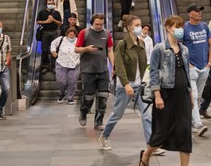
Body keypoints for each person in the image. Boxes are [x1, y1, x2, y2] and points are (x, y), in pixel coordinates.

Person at [140, 15, 192, 166]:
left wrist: (190, 94)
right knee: (162, 131)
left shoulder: (185, 50)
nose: (180, 30)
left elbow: (187, 73)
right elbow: (154, 72)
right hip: (166, 95)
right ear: (168, 28)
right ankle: (146, 155)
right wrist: (157, 95)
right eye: (177, 26)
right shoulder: (159, 48)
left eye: (182, 27)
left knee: (185, 133)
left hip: (182, 96)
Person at [100, 15, 154, 152]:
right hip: (125, 85)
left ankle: (150, 145)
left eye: (140, 25)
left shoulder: (141, 43)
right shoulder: (122, 45)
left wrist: (146, 82)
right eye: (137, 25)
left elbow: (144, 65)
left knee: (147, 115)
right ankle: (104, 136)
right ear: (129, 27)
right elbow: (119, 66)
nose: (140, 28)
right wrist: (126, 84)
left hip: (140, 85)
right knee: (117, 114)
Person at [74, 13, 115, 130]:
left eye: (101, 24)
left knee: (103, 97)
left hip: (103, 70)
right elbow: (76, 49)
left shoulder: (107, 34)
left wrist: (113, 64)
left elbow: (110, 50)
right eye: (97, 24)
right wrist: (86, 49)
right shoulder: (84, 33)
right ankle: (83, 111)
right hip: (88, 70)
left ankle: (99, 122)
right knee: (89, 97)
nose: (99, 26)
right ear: (92, 23)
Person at [183, 4, 211, 136]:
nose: (199, 13)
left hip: (204, 67)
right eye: (196, 11)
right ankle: (198, 124)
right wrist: (188, 64)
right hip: (192, 67)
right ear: (190, 14)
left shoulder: (205, 26)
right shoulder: (185, 28)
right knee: (193, 96)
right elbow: (180, 47)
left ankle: (189, 122)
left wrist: (209, 63)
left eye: (200, 11)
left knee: (198, 96)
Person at [51, 28, 81, 104]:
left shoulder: (78, 40)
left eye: (73, 33)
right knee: (61, 81)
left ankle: (70, 97)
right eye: (70, 32)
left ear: (75, 34)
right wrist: (53, 51)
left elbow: (83, 48)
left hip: (75, 64)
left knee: (72, 82)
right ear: (67, 33)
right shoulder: (61, 39)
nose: (71, 34)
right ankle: (62, 93)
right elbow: (53, 44)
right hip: (61, 63)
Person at [37, 0, 63, 73]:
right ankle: (45, 65)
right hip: (45, 32)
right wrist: (46, 21)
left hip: (54, 32)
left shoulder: (56, 13)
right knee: (44, 49)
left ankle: (54, 66)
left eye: (52, 3)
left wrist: (53, 20)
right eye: (49, 3)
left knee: (54, 49)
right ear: (46, 4)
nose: (50, 5)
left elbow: (60, 23)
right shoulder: (42, 12)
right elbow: (38, 21)